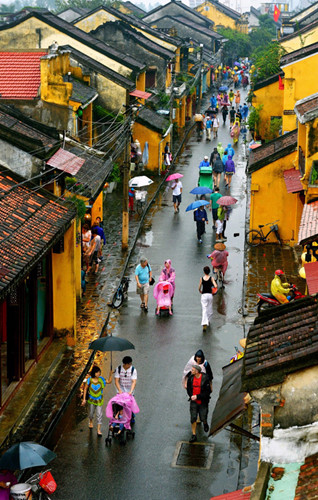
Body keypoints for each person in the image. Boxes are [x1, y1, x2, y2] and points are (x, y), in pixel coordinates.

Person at [82, 365, 113, 436]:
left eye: (99, 372)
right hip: (91, 400)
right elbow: (85, 389)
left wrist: (110, 374)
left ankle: (99, 430)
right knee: (91, 413)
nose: (99, 373)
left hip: (99, 400)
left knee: (99, 415)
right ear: (94, 373)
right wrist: (84, 399)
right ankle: (90, 421)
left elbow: (109, 381)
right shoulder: (89, 380)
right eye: (97, 372)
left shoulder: (101, 379)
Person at [187, 365, 212, 442]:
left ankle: (204, 422)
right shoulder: (191, 378)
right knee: (193, 418)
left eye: (193, 370)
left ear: (197, 371)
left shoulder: (205, 379)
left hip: (203, 402)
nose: (191, 371)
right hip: (193, 402)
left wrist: (197, 396)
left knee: (203, 417)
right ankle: (194, 434)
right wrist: (191, 396)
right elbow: (188, 388)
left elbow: (207, 392)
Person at [199, 266, 217, 331]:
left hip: (204, 295)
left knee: (204, 309)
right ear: (209, 272)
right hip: (210, 295)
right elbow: (215, 286)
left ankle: (204, 323)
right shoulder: (211, 278)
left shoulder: (201, 278)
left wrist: (200, 291)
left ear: (204, 272)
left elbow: (199, 287)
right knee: (209, 308)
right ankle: (208, 320)